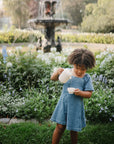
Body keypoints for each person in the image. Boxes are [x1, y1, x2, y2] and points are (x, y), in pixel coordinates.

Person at [50, 48, 95, 144]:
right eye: (77, 68)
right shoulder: (67, 72)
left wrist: (81, 93)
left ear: (87, 68)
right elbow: (53, 79)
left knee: (74, 130)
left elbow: (89, 94)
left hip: (75, 107)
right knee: (59, 127)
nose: (79, 71)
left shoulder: (86, 78)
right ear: (73, 64)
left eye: (83, 69)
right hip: (64, 104)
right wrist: (57, 73)